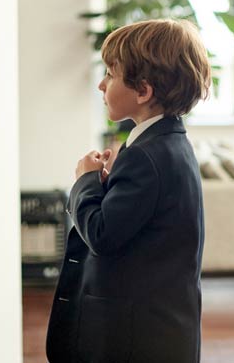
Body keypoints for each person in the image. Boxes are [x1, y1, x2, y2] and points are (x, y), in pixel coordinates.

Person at [46, 19, 211, 363]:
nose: (101, 84)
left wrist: (85, 181)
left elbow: (103, 234)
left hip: (136, 338)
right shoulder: (168, 145)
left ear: (143, 91)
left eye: (110, 73)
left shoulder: (145, 157)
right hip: (158, 329)